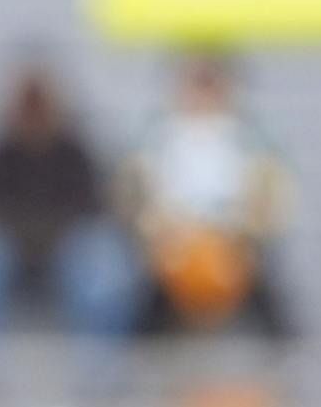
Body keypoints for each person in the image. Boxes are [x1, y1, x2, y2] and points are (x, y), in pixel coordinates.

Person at [0, 64, 133, 345]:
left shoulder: (74, 153)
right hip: (10, 250)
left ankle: (100, 356)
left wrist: (48, 234)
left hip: (66, 250)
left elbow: (93, 206)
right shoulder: (0, 154)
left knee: (102, 261)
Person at [120, 56, 296, 339]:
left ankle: (284, 349)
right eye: (197, 85)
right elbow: (134, 193)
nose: (203, 96)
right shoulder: (156, 138)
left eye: (210, 85)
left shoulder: (251, 139)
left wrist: (243, 233)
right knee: (149, 293)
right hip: (174, 238)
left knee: (260, 286)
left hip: (231, 237)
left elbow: (271, 196)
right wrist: (159, 231)